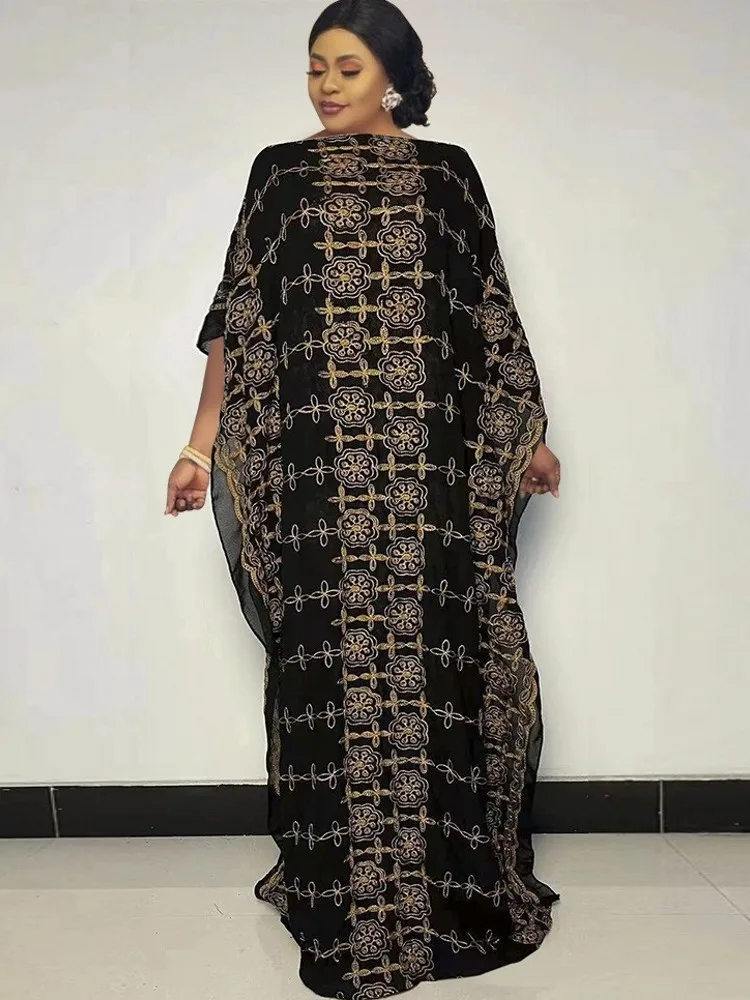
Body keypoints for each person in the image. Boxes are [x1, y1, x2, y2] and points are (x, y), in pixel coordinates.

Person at [165, 1, 561, 996]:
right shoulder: (278, 174)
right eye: (315, 68)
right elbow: (239, 319)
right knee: (324, 667)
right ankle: (336, 883)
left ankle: (445, 885)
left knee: (435, 661)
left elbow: (487, 314)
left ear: (393, 75)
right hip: (312, 474)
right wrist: (200, 445)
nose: (327, 86)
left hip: (427, 472)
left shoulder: (449, 174)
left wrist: (528, 434)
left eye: (348, 67)